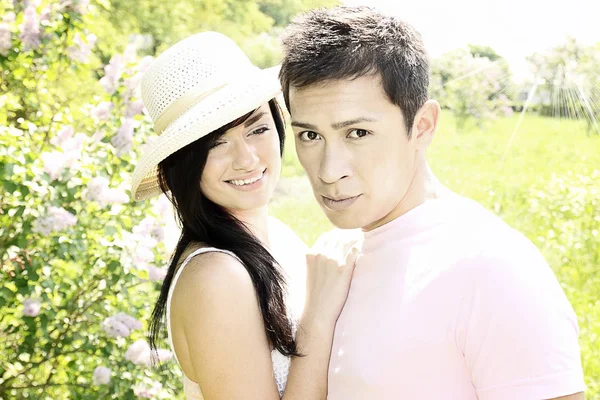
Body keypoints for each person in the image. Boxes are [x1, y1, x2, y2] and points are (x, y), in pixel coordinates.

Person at [279, 6, 586, 399]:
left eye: (357, 132)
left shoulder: (491, 268)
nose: (328, 170)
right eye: (310, 136)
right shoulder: (334, 256)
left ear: (422, 126)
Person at [131, 31, 358, 399]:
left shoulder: (278, 237)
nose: (247, 159)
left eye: (257, 129)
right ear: (183, 164)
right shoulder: (217, 277)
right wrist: (317, 317)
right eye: (216, 141)